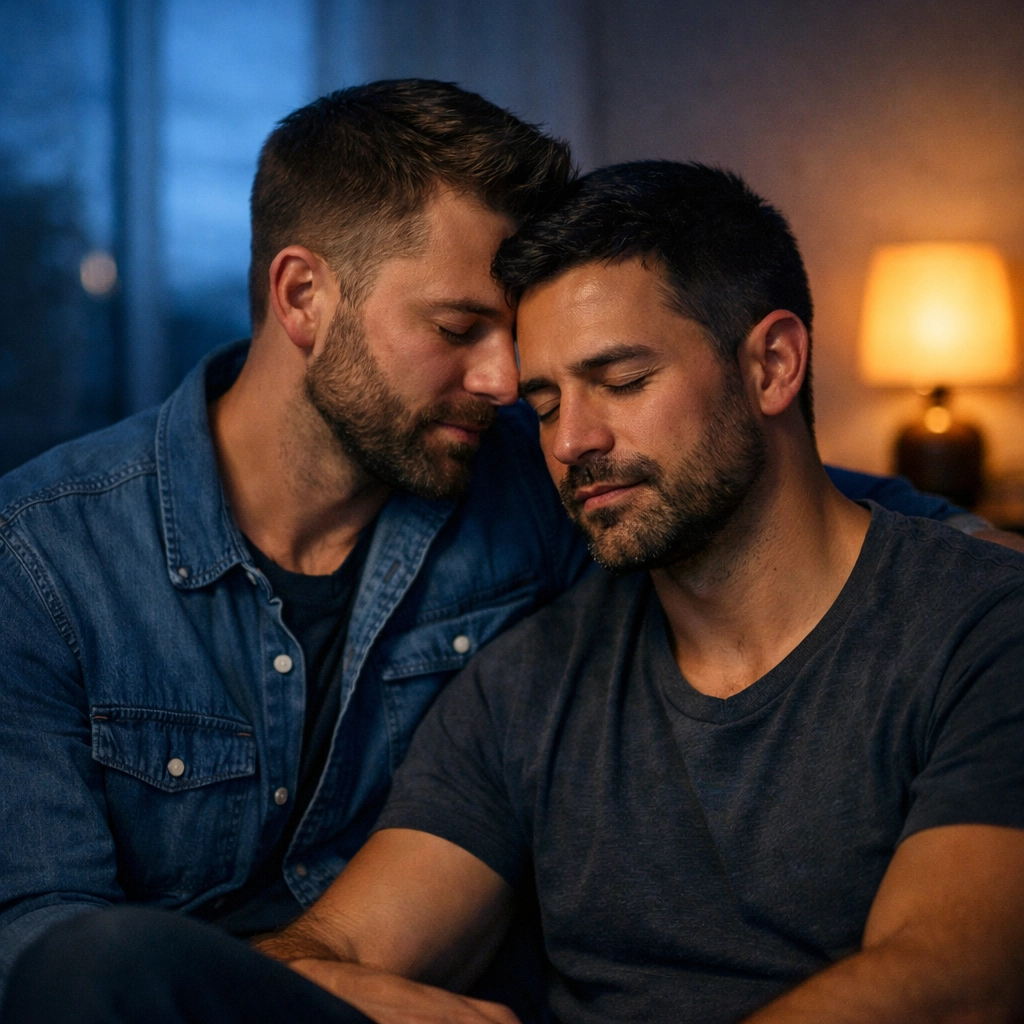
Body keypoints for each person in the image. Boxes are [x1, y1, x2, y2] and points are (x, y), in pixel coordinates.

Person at [0, 101, 1012, 1022]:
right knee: (95, 968)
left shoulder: (528, 478)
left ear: (772, 362)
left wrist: (972, 565)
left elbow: (771, 494)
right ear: (302, 295)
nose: (524, 408)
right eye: (463, 333)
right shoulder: (45, 557)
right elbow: (56, 948)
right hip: (214, 996)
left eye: (611, 379)